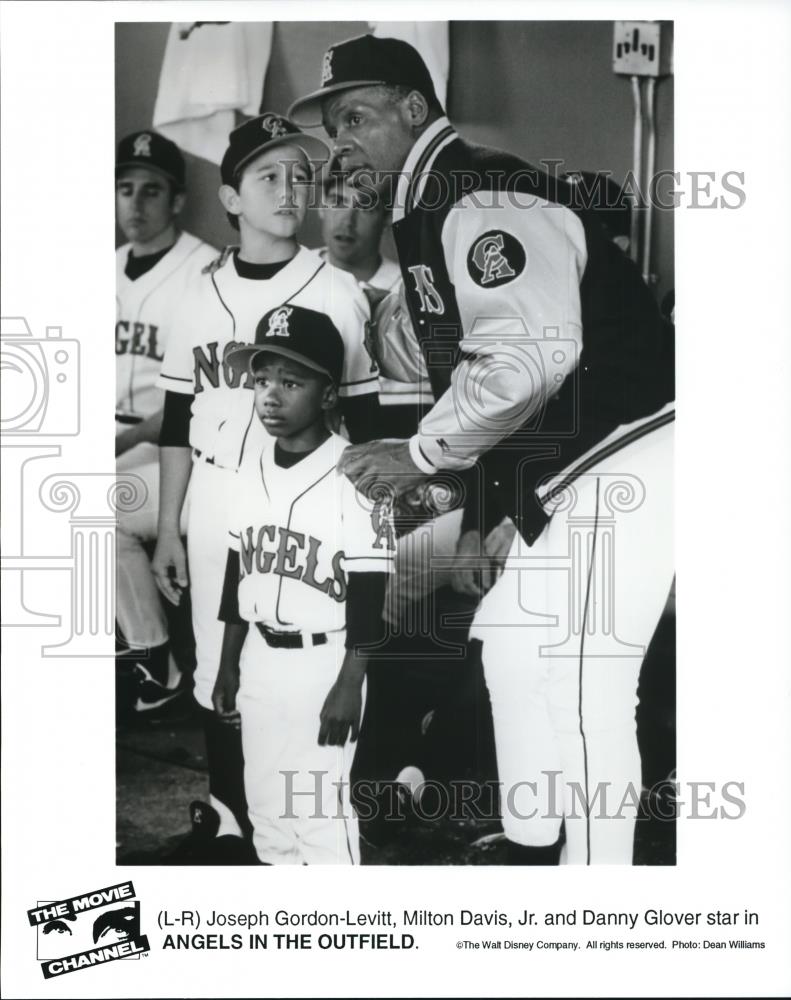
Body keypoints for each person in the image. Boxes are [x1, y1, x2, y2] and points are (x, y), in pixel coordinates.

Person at [289, 34, 675, 865]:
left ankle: (599, 894)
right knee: (506, 635)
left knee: (584, 685)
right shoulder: (423, 210)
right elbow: (506, 392)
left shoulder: (481, 192)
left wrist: (423, 457)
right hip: (579, 462)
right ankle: (534, 840)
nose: (341, 139)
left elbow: (531, 360)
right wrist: (469, 505)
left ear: (414, 108)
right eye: (330, 126)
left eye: (355, 114)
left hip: (635, 451)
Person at [151, 113, 380, 861]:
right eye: (269, 177)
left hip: (309, 497)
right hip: (217, 494)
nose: (291, 190)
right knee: (220, 667)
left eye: (300, 176)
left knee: (307, 661)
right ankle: (230, 820)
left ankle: (318, 825)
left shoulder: (336, 289)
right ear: (230, 197)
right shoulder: (194, 293)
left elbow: (367, 422)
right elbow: (178, 418)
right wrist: (167, 526)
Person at [212, 305, 395, 864]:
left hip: (326, 661)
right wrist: (226, 663)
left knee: (320, 815)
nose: (271, 395)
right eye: (262, 379)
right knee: (266, 809)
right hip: (262, 659)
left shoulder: (356, 473)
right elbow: (234, 572)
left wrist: (349, 684)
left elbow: (370, 590)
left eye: (291, 382)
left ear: (328, 394)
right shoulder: (246, 468)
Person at [115, 130, 217, 710]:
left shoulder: (203, 271)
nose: (136, 204)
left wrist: (119, 442)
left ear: (177, 200)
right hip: (114, 441)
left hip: (169, 453)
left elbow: (193, 401)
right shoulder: (102, 268)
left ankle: (155, 657)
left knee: (93, 504)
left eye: (151, 191)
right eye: (125, 190)